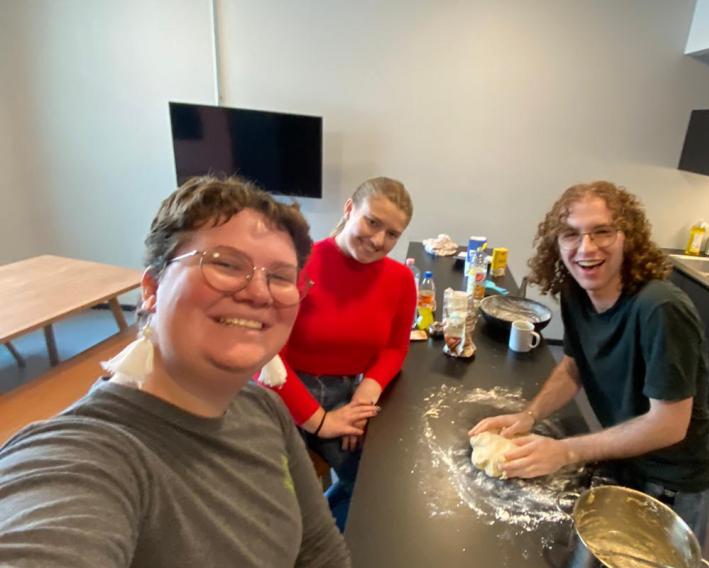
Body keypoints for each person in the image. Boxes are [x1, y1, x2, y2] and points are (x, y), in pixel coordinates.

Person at [0, 176, 350, 567]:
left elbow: (319, 549)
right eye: (226, 264)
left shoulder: (263, 408)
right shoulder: (80, 456)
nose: (258, 292)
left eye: (281, 277)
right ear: (151, 288)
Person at [469, 181, 709, 545]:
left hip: (673, 482)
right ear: (557, 244)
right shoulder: (577, 292)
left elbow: (668, 425)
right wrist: (529, 416)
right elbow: (574, 364)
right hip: (622, 457)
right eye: (571, 235)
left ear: (628, 238)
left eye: (602, 231)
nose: (586, 248)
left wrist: (567, 451)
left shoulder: (660, 309)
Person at [262, 176, 416, 532]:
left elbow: (395, 347)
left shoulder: (400, 280)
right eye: (371, 222)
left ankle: (321, 539)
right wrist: (319, 421)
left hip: (347, 392)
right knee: (278, 495)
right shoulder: (299, 264)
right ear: (349, 209)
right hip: (283, 388)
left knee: (374, 485)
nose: (378, 240)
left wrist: (367, 391)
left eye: (392, 234)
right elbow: (270, 357)